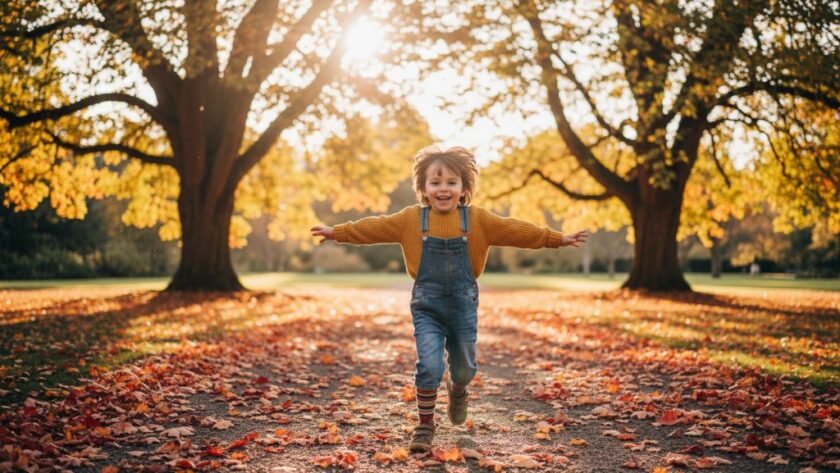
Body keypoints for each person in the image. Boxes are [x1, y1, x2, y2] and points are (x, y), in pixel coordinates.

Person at [310, 145, 587, 453]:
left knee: (465, 369)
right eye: (436, 182)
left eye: (452, 182)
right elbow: (373, 227)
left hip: (463, 305)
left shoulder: (478, 220)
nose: (444, 189)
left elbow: (515, 231)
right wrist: (337, 232)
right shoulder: (410, 220)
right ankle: (425, 426)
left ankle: (458, 390)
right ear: (423, 189)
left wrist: (557, 239)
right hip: (427, 306)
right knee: (429, 366)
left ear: (464, 188)